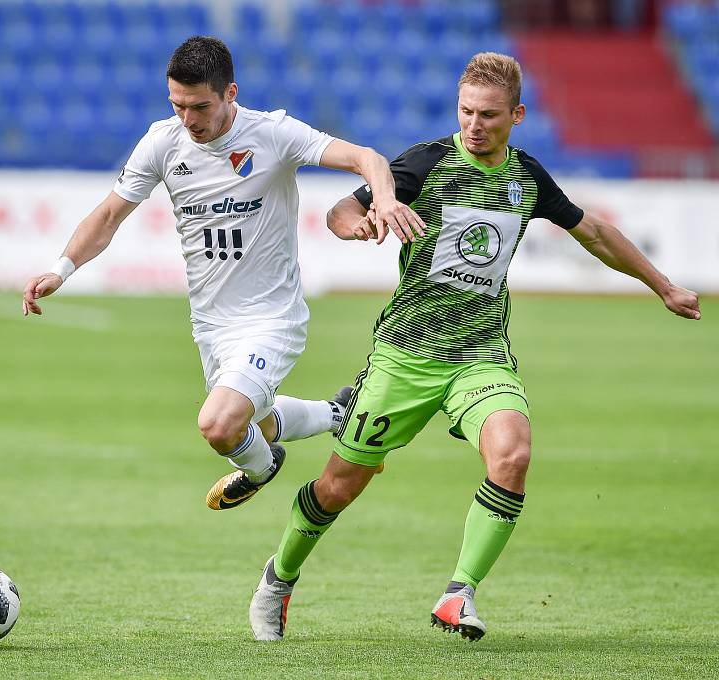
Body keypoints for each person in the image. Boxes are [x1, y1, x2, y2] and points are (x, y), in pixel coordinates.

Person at [248, 51, 701, 641]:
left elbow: (592, 230)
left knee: (512, 455)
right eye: (465, 111)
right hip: (405, 357)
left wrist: (661, 284)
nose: (473, 124)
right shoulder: (425, 165)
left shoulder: (526, 178)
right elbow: (341, 208)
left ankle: (459, 595)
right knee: (340, 486)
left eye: (488, 114)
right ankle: (279, 578)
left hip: (481, 357)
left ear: (517, 115)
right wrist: (357, 223)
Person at [21, 36, 425, 511]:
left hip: (271, 317)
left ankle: (262, 467)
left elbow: (368, 159)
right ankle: (339, 412)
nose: (188, 119)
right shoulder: (162, 142)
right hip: (211, 324)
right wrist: (61, 269)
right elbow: (110, 215)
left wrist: (384, 198)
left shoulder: (272, 134)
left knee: (218, 424)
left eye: (199, 106)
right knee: (253, 423)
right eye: (177, 105)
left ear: (230, 93)